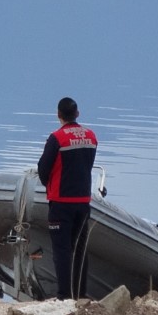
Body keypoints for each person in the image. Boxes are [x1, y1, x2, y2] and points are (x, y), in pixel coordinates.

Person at [36, 97, 97, 301]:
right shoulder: (91, 136)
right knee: (80, 248)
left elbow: (43, 168)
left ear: (58, 115)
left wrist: (49, 184)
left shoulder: (57, 138)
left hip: (61, 202)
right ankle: (80, 293)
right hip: (83, 201)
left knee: (62, 250)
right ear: (77, 114)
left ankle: (64, 295)